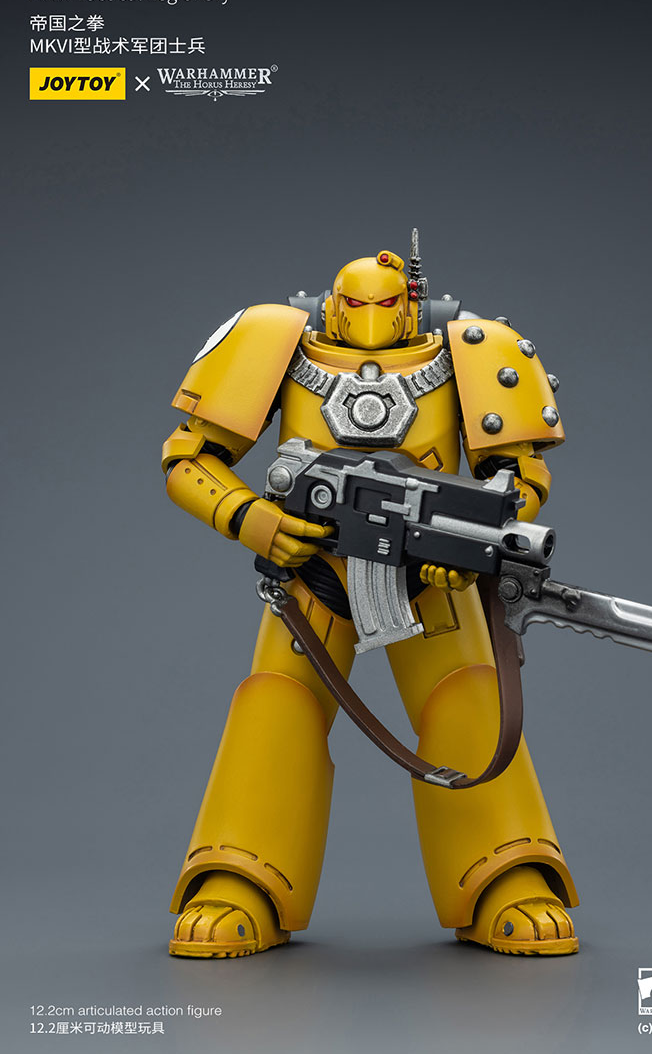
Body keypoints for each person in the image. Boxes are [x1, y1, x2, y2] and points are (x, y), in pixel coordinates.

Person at [162, 240, 577, 958]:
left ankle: (504, 871)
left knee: (469, 699)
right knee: (277, 706)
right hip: (313, 574)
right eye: (357, 306)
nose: (372, 318)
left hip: (427, 582)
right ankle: (240, 876)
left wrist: (470, 542)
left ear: (413, 304)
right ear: (333, 305)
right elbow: (188, 457)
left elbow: (519, 475)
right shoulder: (273, 340)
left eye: (387, 306)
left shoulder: (476, 348)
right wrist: (254, 520)